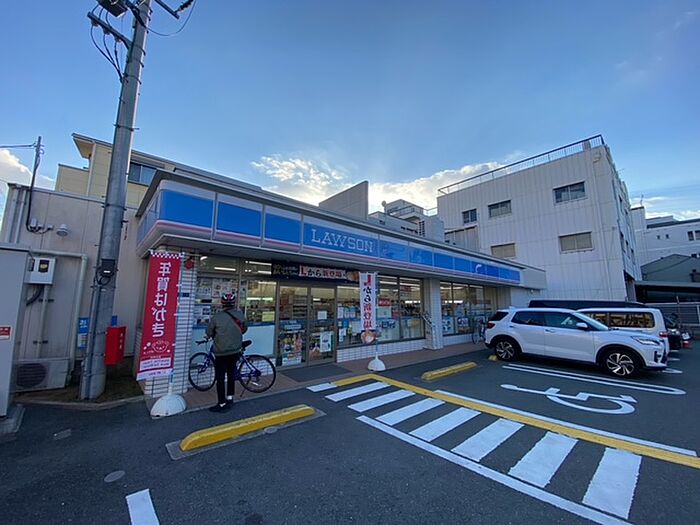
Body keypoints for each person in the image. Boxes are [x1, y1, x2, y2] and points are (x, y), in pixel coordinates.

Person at [206, 292, 247, 413]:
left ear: (222, 304)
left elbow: (209, 332)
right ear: (233, 303)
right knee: (231, 374)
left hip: (221, 352)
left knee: (220, 378)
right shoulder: (240, 314)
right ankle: (230, 398)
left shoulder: (217, 317)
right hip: (235, 351)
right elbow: (244, 329)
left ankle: (221, 403)